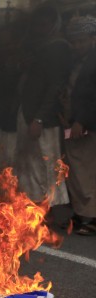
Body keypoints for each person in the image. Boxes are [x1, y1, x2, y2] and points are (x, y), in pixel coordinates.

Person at [2, 3, 71, 206]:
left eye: (44, 25)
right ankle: (32, 206)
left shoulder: (58, 47)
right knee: (29, 163)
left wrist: (39, 118)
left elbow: (54, 87)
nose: (39, 29)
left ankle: (45, 208)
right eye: (37, 25)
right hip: (28, 111)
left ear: (53, 25)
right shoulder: (37, 46)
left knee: (46, 163)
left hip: (43, 118)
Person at [63, 16, 96, 234]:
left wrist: (81, 121)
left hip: (87, 123)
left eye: (82, 41)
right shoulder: (77, 60)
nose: (78, 45)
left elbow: (92, 97)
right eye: (75, 41)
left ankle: (92, 218)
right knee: (73, 169)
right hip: (71, 121)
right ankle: (80, 211)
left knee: (87, 170)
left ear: (93, 39)